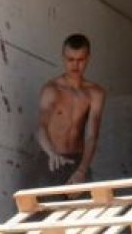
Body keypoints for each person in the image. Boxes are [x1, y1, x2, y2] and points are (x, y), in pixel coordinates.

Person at [36, 34, 107, 185]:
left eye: (80, 60)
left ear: (88, 58)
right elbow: (41, 127)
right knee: (48, 208)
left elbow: (92, 135)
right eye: (70, 59)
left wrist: (82, 169)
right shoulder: (52, 89)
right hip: (51, 158)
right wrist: (51, 153)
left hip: (78, 161)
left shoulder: (95, 93)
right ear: (63, 58)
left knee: (85, 208)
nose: (75, 65)